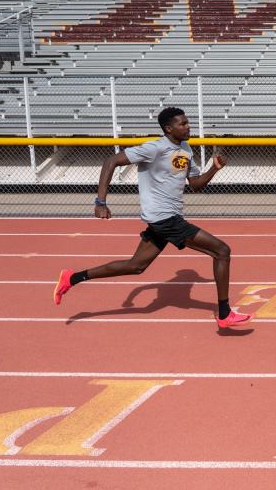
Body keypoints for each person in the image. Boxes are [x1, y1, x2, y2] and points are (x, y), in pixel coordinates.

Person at [53, 107, 251, 329]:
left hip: (167, 218)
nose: (188, 127)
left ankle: (72, 278)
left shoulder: (185, 149)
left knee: (136, 266)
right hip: (164, 219)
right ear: (169, 128)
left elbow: (195, 184)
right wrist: (100, 202)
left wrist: (213, 170)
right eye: (183, 124)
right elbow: (111, 161)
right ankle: (224, 313)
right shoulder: (154, 148)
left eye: (188, 122)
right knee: (221, 251)